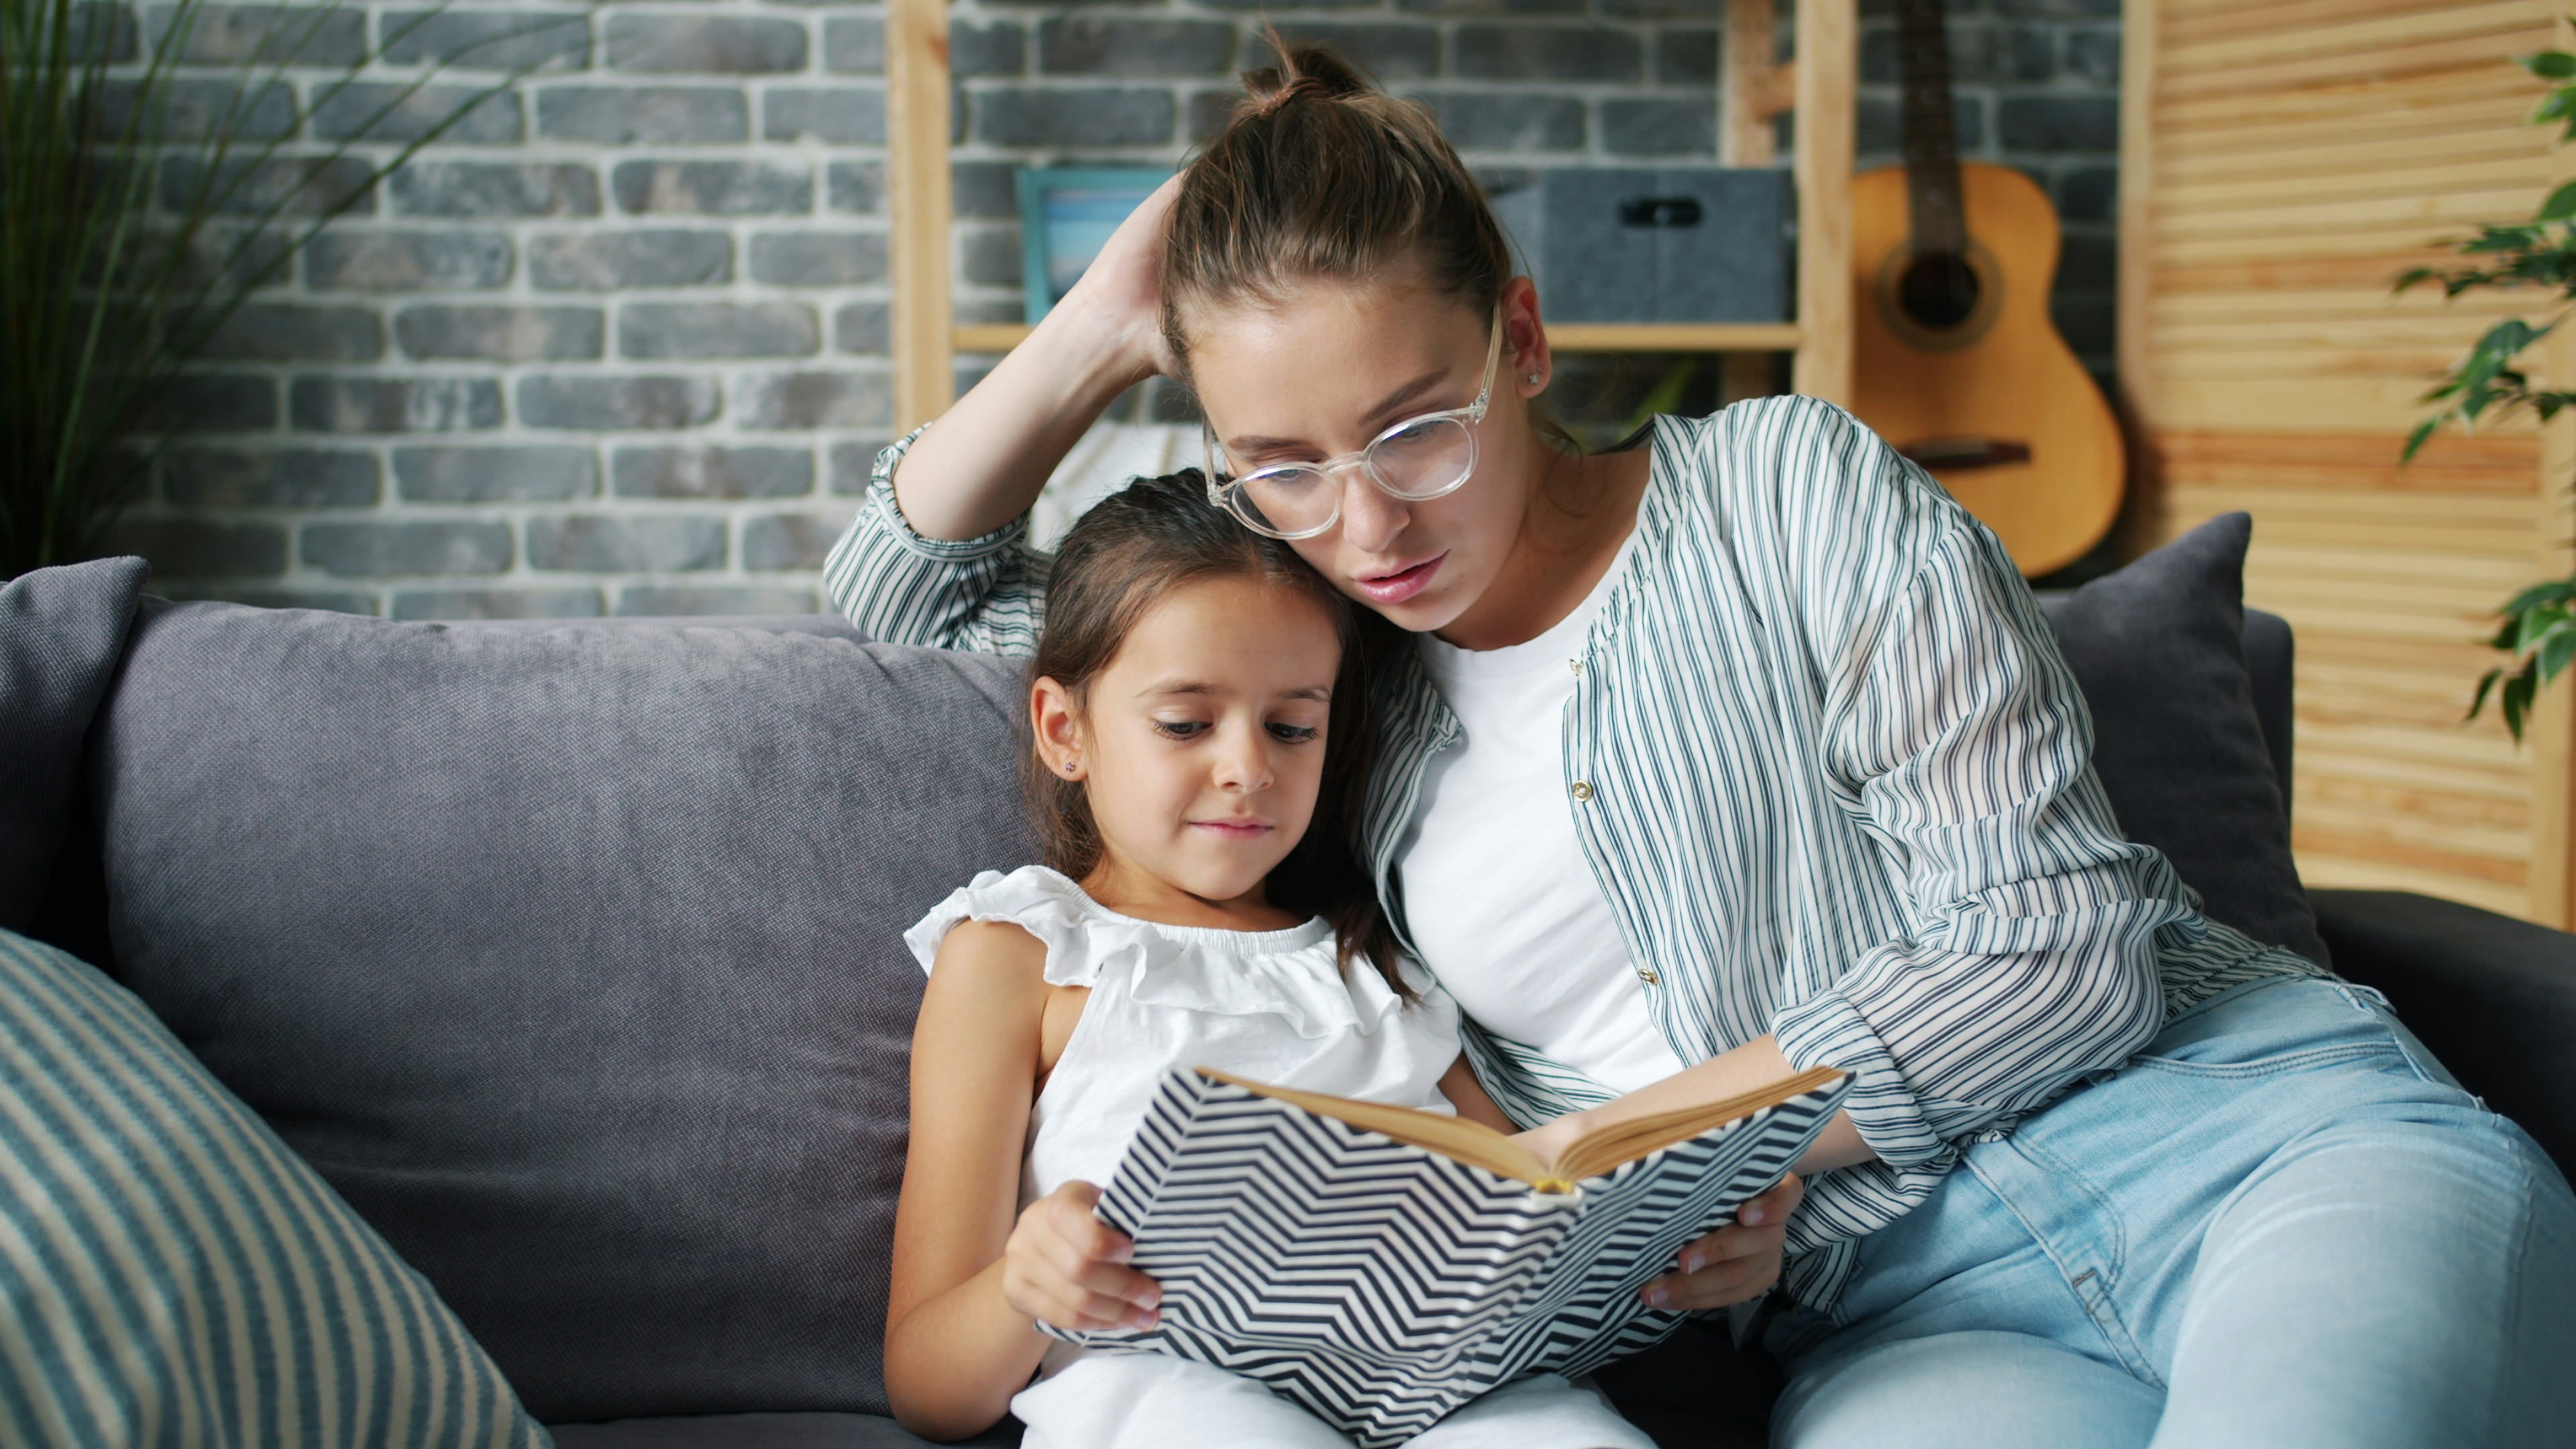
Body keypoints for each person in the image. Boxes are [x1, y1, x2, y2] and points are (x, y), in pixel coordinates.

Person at [839, 41, 2576, 1449]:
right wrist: (1096, 329)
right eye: (1279, 463)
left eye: (1417, 428)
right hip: (1896, 1316)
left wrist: (1638, 1150)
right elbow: (906, 603)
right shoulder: (1318, 691)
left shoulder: (1785, 490)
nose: (1364, 522)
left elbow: (2062, 951)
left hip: (2237, 1137)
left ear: (1522, 339)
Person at [883, 472, 1660, 1448]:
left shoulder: (1377, 969)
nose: (1250, 768)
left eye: (1293, 727)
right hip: (1164, 1390)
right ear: (1064, 730)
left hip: (1436, 1394)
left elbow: (1526, 1213)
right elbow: (925, 1384)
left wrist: (1674, 1247)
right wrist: (1025, 1287)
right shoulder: (1023, 953)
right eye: (1185, 723)